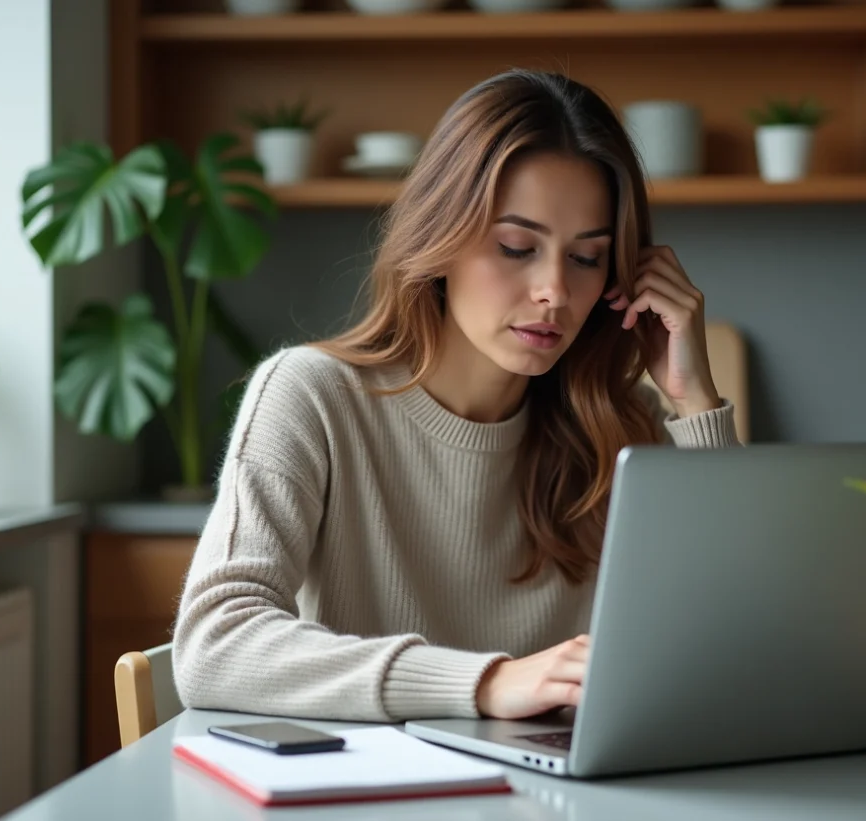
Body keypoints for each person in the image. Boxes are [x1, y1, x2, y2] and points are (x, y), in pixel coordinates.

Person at [171, 68, 741, 725]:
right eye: (516, 246)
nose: (555, 290)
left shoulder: (620, 426)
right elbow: (214, 645)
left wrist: (695, 401)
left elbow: (729, 644)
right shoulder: (312, 397)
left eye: (587, 259)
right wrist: (488, 683)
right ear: (440, 236)